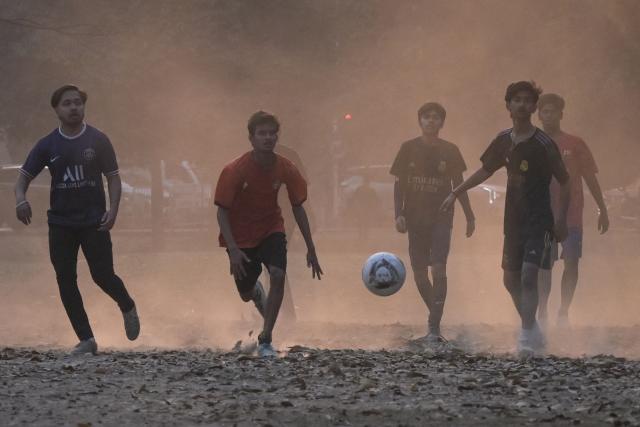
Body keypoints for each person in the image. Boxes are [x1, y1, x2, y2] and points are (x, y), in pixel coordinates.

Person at [440, 81, 570, 356]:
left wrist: (560, 221)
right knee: (510, 281)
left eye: (527, 100)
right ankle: (532, 326)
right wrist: (456, 191)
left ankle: (524, 336)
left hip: (540, 220)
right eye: (517, 100)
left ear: (534, 107)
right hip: (513, 220)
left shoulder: (543, 143)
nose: (522, 105)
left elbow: (565, 181)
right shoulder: (503, 140)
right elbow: (484, 171)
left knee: (528, 275)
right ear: (508, 105)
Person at [14, 84, 140, 356]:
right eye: (67, 104)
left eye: (77, 103)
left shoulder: (98, 140)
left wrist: (114, 209)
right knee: (65, 278)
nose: (74, 108)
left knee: (102, 276)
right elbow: (23, 177)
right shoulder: (48, 144)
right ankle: (86, 339)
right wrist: (20, 199)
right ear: (57, 110)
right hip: (60, 223)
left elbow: (114, 177)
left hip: (94, 221)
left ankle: (127, 304)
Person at [215, 111, 323, 358]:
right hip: (241, 237)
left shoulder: (287, 166)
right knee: (245, 293)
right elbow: (221, 212)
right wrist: (232, 249)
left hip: (272, 228)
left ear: (277, 137)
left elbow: (298, 206)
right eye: (262, 133)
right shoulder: (235, 169)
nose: (268, 138)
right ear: (251, 138)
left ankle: (265, 339)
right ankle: (255, 294)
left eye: (272, 133)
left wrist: (311, 247)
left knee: (277, 273)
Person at [390, 102, 475, 343]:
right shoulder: (407, 148)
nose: (430, 121)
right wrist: (399, 213)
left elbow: (460, 185)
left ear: (442, 122)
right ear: (419, 121)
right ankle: (436, 316)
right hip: (415, 218)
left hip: (441, 216)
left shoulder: (450, 150)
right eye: (426, 117)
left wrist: (469, 215)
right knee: (419, 276)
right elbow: (399, 185)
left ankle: (434, 328)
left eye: (435, 117)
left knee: (438, 268)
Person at [536, 93, 609, 327]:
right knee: (544, 265)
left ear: (561, 114)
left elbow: (590, 178)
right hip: (542, 214)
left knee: (571, 262)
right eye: (544, 111)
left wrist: (602, 208)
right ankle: (542, 311)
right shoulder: (533, 143)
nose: (549, 116)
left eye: (553, 111)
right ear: (539, 115)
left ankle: (564, 312)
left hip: (572, 213)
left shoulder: (575, 143)